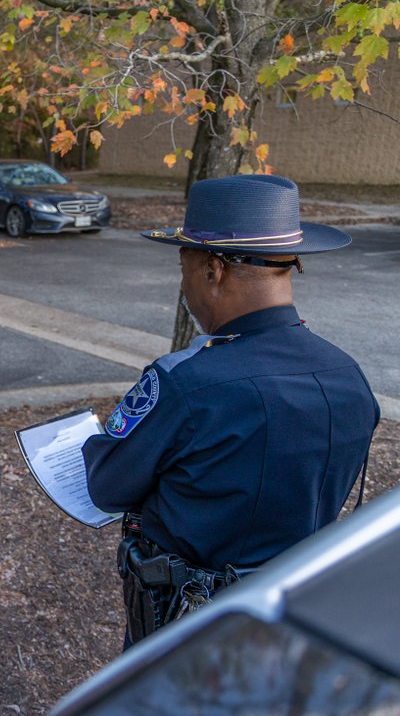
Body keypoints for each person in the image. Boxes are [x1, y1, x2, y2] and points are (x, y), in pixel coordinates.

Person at [82, 174, 379, 648]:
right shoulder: (350, 379)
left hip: (186, 631)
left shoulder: (187, 383)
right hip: (296, 623)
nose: (182, 285)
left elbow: (106, 485)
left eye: (184, 268)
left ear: (212, 270)